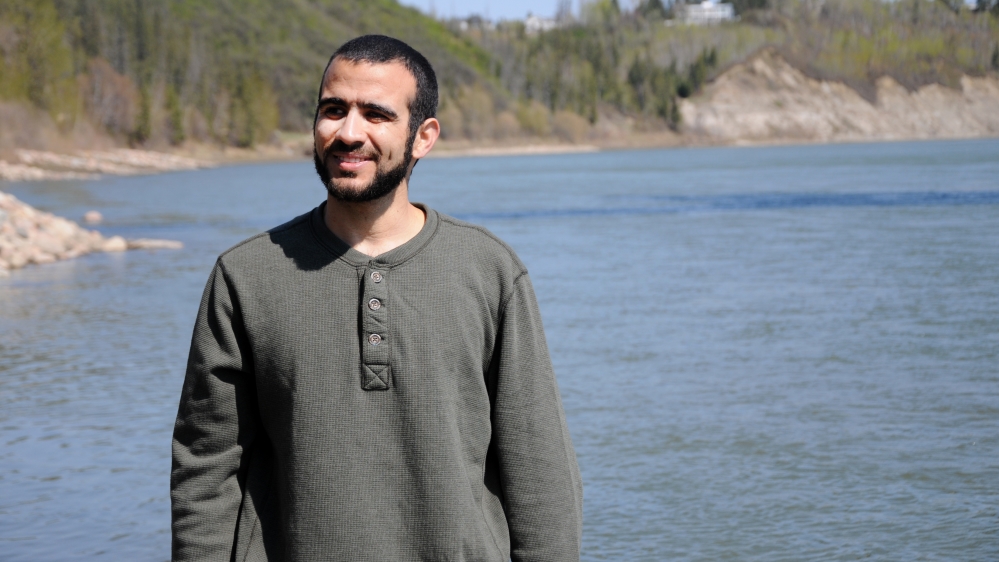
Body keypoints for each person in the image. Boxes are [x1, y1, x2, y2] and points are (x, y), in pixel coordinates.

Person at [170, 34, 583, 561]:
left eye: (376, 115)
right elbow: (205, 467)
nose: (348, 133)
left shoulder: (490, 271)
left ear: (423, 136)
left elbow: (540, 471)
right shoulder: (244, 276)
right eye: (333, 110)